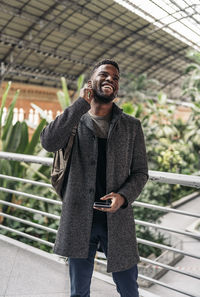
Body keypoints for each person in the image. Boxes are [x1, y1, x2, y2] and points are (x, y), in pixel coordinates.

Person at [40, 59, 148, 297]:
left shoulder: (131, 126)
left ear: (117, 89)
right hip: (79, 219)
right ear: (91, 83)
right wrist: (81, 103)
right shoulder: (74, 120)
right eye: (104, 74)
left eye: (115, 77)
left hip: (117, 222)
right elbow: (49, 142)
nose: (111, 79)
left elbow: (141, 172)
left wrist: (123, 197)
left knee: (129, 289)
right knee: (79, 291)